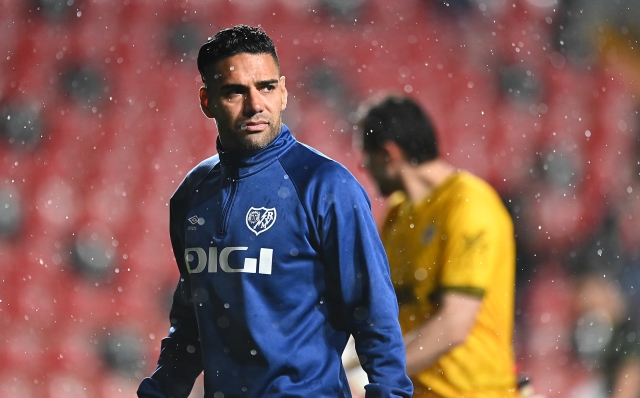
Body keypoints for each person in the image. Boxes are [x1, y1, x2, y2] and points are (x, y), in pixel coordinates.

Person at [136, 25, 413, 398]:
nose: (255, 105)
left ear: (283, 92)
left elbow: (373, 313)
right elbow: (192, 325)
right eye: (235, 91)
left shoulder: (326, 186)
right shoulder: (192, 195)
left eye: (266, 87)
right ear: (207, 101)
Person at [356, 94, 518, 397]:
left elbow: (454, 324)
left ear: (390, 154)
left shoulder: (470, 205)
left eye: (367, 156)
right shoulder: (397, 215)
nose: (362, 166)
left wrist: (375, 373)